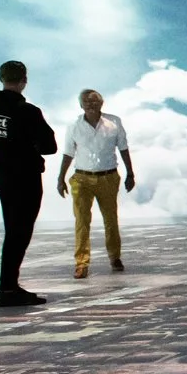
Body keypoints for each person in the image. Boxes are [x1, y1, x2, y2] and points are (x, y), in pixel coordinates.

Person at [0, 60, 57, 307]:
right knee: (20, 232)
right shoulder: (28, 111)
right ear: (24, 80)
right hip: (24, 177)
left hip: (2, 176)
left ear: (1, 78)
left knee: (13, 231)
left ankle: (8, 286)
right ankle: (8, 288)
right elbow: (50, 146)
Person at [59, 88, 137, 279]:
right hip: (82, 178)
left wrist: (130, 173)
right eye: (87, 102)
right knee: (82, 221)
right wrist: (60, 178)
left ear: (102, 104)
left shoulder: (114, 122)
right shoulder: (74, 125)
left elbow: (123, 148)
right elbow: (68, 152)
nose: (91, 105)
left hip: (108, 177)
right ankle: (81, 263)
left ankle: (115, 257)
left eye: (95, 102)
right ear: (81, 105)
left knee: (110, 219)